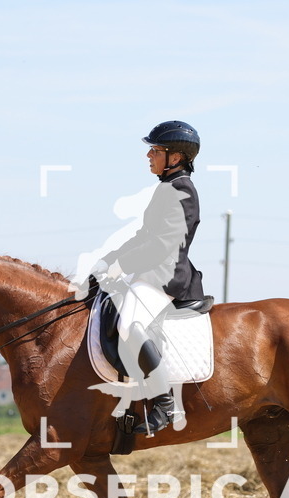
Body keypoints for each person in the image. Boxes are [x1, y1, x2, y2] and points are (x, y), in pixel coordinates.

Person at [73, 120, 204, 435]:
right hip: (150, 271)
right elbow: (144, 236)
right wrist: (107, 260)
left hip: (168, 276)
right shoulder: (167, 187)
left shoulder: (182, 190)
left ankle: (164, 404)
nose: (148, 155)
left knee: (130, 325)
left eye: (155, 150)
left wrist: (121, 267)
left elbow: (163, 245)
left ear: (175, 157)